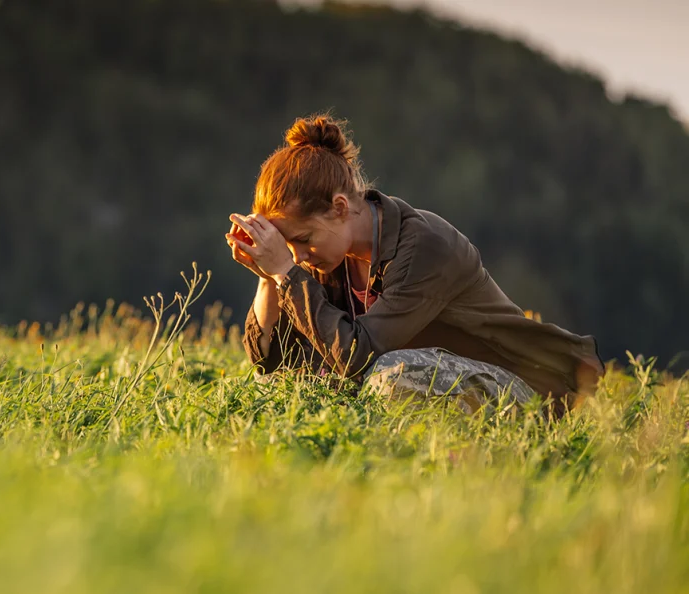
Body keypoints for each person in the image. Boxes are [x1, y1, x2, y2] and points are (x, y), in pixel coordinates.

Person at [225, 114, 603, 417]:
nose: (299, 257)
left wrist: (285, 274)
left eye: (302, 241)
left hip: (522, 392)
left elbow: (358, 359)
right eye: (288, 245)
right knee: (273, 391)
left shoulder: (425, 247)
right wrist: (269, 277)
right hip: (427, 381)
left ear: (339, 208)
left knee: (393, 380)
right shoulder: (326, 250)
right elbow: (273, 361)